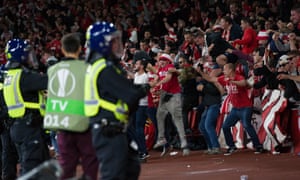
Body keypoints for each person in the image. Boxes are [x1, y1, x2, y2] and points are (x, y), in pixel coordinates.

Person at [84, 21, 150, 180]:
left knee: (130, 168)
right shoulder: (104, 68)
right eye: (113, 41)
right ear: (102, 43)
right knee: (114, 175)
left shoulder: (97, 65)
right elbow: (130, 94)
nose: (117, 45)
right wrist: (144, 88)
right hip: (108, 130)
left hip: (110, 127)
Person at [44, 33, 98, 180]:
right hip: (83, 123)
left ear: (62, 49)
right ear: (80, 48)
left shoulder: (52, 70)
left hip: (62, 124)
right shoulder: (88, 68)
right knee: (90, 162)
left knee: (66, 165)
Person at [3, 38, 50, 176]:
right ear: (21, 55)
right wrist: (52, 65)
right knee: (31, 169)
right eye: (28, 53)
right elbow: (48, 81)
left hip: (19, 126)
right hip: (29, 127)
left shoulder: (10, 75)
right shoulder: (24, 76)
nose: (31, 57)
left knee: (42, 168)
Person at [200, 63, 263, 155]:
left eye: (225, 69)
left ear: (230, 70)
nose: (223, 71)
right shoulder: (225, 79)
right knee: (225, 126)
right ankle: (231, 146)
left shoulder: (238, 77)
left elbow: (244, 83)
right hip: (235, 108)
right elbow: (210, 79)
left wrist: (232, 82)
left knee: (246, 125)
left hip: (245, 107)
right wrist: (200, 72)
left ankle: (258, 146)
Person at [151, 53, 190, 156]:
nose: (161, 61)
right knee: (160, 116)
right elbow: (156, 80)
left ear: (168, 61)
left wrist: (158, 84)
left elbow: (168, 78)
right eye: (160, 60)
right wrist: (153, 87)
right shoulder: (160, 70)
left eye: (163, 60)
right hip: (165, 96)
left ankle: (184, 143)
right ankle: (162, 139)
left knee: (176, 119)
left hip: (174, 95)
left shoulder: (170, 67)